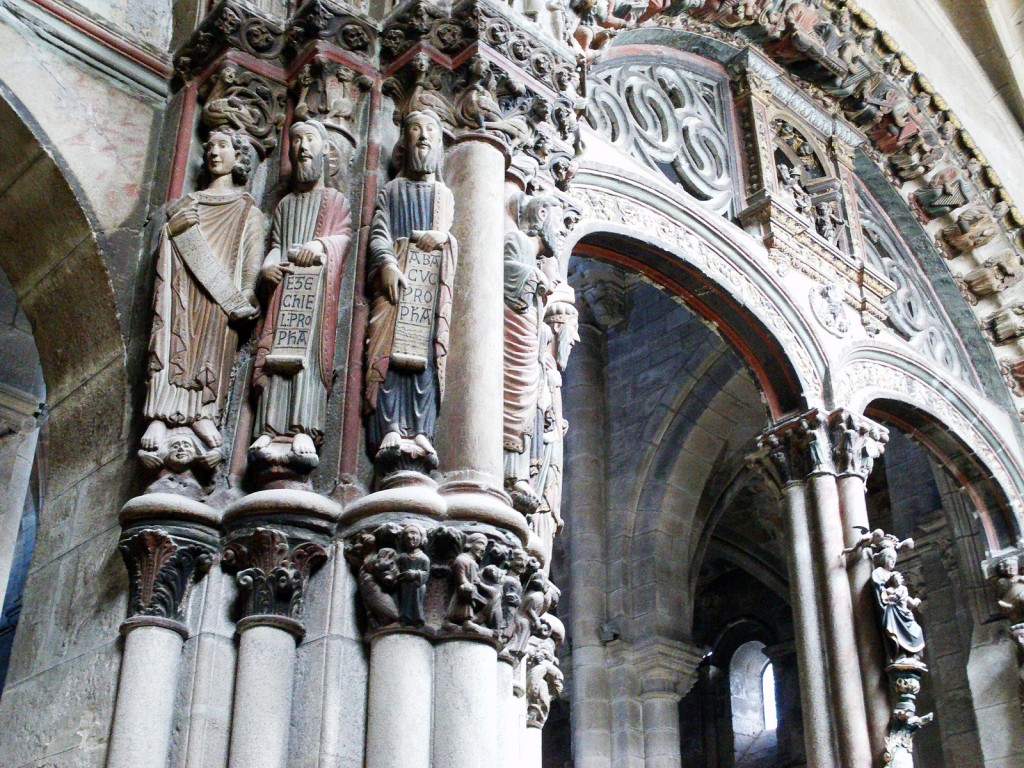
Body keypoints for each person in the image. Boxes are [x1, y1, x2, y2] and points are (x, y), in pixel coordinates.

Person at [142, 128, 263, 464]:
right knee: (170, 340)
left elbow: (252, 256)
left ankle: (203, 413)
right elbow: (168, 244)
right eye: (210, 146)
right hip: (182, 287)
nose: (213, 152)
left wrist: (248, 294)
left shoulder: (246, 210)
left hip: (219, 299)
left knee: (211, 348)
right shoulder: (188, 204)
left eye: (222, 146)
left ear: (239, 157)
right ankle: (160, 415)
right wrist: (174, 230)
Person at [250, 119, 352, 467]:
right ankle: (270, 426)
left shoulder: (335, 200)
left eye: (309, 140)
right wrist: (268, 265)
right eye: (295, 142)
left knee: (306, 359)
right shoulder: (286, 205)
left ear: (325, 151)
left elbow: (344, 238)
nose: (302, 147)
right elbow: (278, 244)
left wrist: (320, 245)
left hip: (316, 293)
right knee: (277, 355)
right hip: (284, 291)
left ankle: (304, 426)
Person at [365, 110, 457, 472]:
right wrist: (386, 263)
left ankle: (420, 430)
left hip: (428, 287)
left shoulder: (443, 194)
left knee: (426, 358)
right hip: (394, 284)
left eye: (430, 130)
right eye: (416, 129)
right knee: (387, 352)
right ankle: (389, 426)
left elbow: (448, 236)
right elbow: (378, 232)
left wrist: (442, 238)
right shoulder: (392, 190)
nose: (423, 136)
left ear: (438, 143)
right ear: (404, 141)